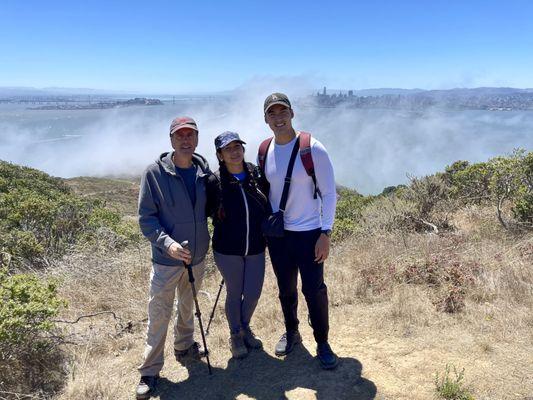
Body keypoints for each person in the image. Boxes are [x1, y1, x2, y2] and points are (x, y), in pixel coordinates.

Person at [259, 93, 339, 369]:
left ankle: (322, 341)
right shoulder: (264, 150)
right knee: (285, 289)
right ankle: (292, 332)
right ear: (266, 118)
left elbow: (329, 194)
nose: (278, 118)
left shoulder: (312, 148)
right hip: (279, 236)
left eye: (283, 112)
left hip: (309, 233)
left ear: (292, 114)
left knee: (314, 290)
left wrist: (325, 233)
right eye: (272, 113)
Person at [135, 116, 212, 399]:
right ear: (171, 140)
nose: (185, 140)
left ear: (197, 139)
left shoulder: (204, 173)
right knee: (159, 314)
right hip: (167, 260)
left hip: (198, 256)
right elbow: (146, 219)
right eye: (179, 135)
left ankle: (184, 346)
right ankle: (150, 371)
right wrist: (167, 244)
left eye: (190, 135)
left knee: (188, 304)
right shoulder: (154, 173)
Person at [206, 131, 270, 359]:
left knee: (252, 293)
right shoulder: (214, 182)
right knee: (235, 292)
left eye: (237, 147)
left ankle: (244, 327)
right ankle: (235, 334)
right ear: (220, 155)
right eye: (228, 149)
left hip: (255, 247)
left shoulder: (254, 173)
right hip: (227, 249)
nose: (234, 152)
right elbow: (204, 212)